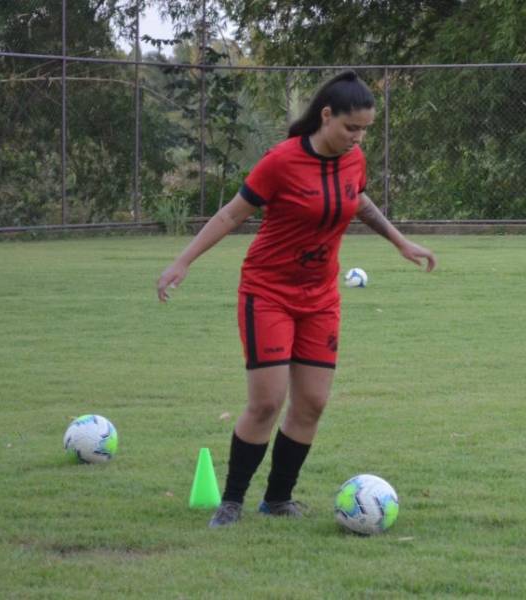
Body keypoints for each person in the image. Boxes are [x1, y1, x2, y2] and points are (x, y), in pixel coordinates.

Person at [156, 71, 437, 528]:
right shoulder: (280, 162)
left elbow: (359, 201)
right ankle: (232, 501)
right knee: (267, 402)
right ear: (326, 116)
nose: (357, 137)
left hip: (321, 297)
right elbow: (231, 214)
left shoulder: (354, 159)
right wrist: (182, 262)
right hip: (268, 293)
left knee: (311, 404)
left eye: (364, 129)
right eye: (351, 127)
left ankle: (278, 498)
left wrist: (401, 242)